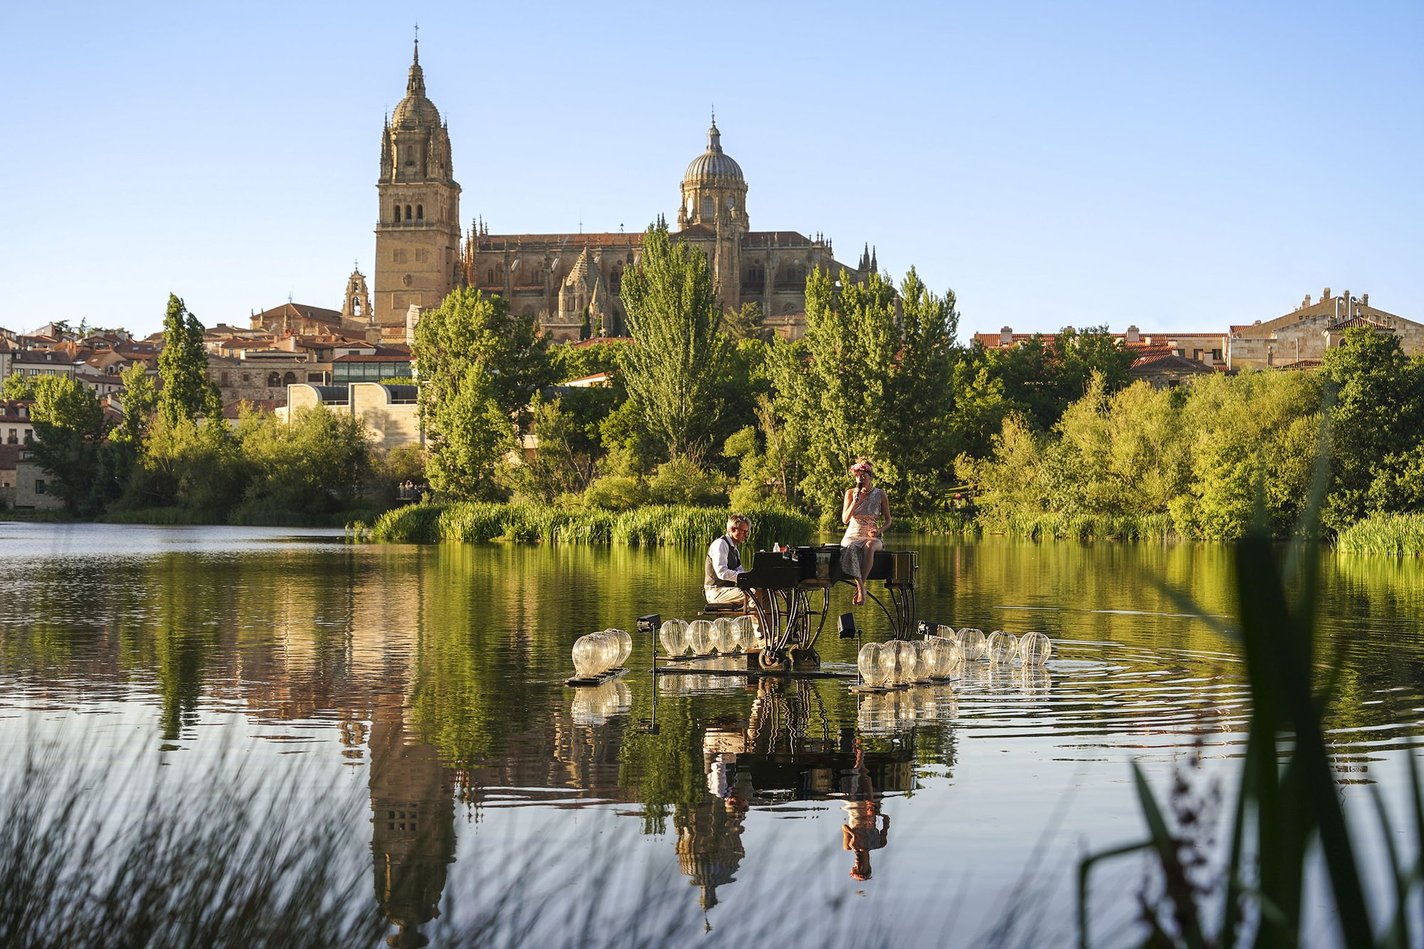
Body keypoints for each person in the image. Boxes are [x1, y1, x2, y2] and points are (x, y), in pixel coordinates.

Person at [840, 459, 891, 606]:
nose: (860, 480)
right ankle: (861, 588)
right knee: (849, 548)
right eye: (857, 477)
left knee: (869, 546)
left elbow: (888, 521)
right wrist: (855, 502)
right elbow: (844, 520)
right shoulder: (850, 493)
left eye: (863, 477)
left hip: (871, 535)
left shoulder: (880, 494)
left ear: (870, 477)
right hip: (852, 534)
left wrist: (879, 530)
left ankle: (860, 587)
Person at [705, 514, 752, 609]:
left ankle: (766, 622)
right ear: (732, 529)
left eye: (747, 532)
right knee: (754, 593)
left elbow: (740, 571)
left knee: (763, 591)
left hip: (727, 590)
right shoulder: (720, 544)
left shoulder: (735, 550)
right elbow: (721, 572)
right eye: (744, 531)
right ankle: (758, 623)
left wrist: (752, 578)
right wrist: (744, 578)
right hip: (715, 592)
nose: (746, 535)